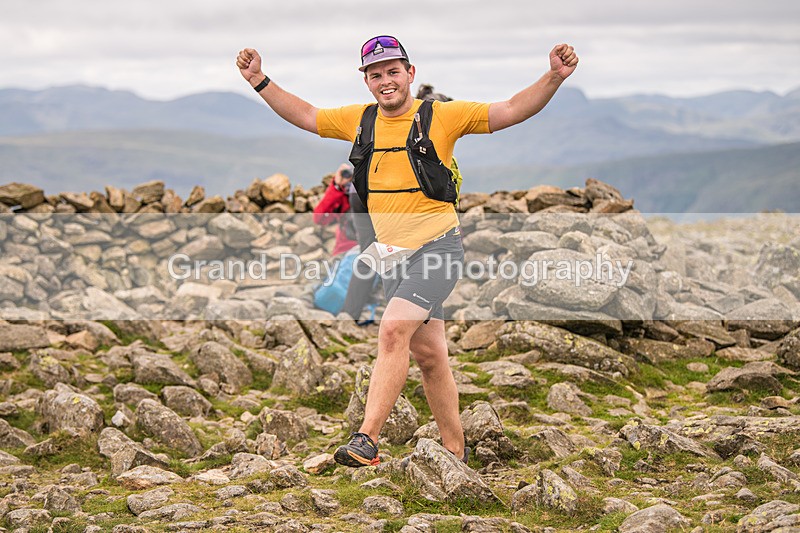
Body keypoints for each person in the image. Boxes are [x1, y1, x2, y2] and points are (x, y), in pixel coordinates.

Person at [236, 36, 578, 467]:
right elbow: (305, 114)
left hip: (437, 249)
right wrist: (259, 80)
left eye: (393, 71)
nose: (386, 81)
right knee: (430, 356)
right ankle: (455, 449)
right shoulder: (360, 120)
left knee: (393, 330)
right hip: (391, 255)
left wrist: (553, 77)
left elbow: (510, 109)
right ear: (366, 81)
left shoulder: (441, 116)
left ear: (410, 73)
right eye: (375, 74)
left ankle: (366, 439)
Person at [312, 162, 358, 257]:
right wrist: (337, 186)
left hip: (363, 248)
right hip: (345, 249)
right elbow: (319, 218)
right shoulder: (343, 197)